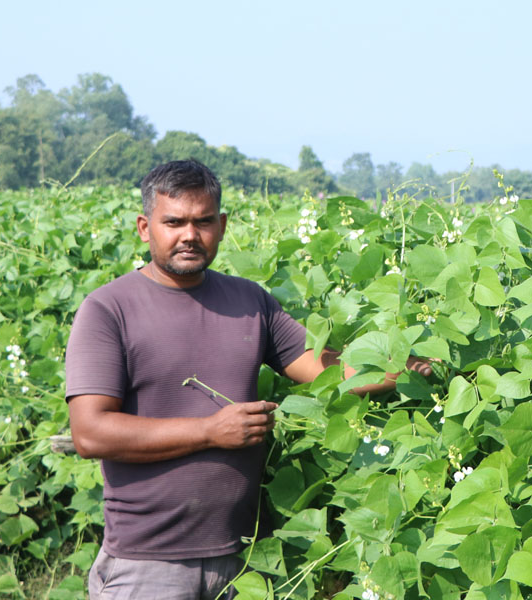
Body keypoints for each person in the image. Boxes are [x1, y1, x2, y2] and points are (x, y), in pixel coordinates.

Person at [65, 159, 430, 599]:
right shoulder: (108, 309)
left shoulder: (249, 301)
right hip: (148, 563)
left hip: (246, 559)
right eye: (174, 222)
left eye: (203, 222)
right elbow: (90, 432)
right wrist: (209, 431)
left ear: (221, 226)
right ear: (145, 228)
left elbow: (327, 371)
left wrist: (412, 369)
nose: (189, 235)